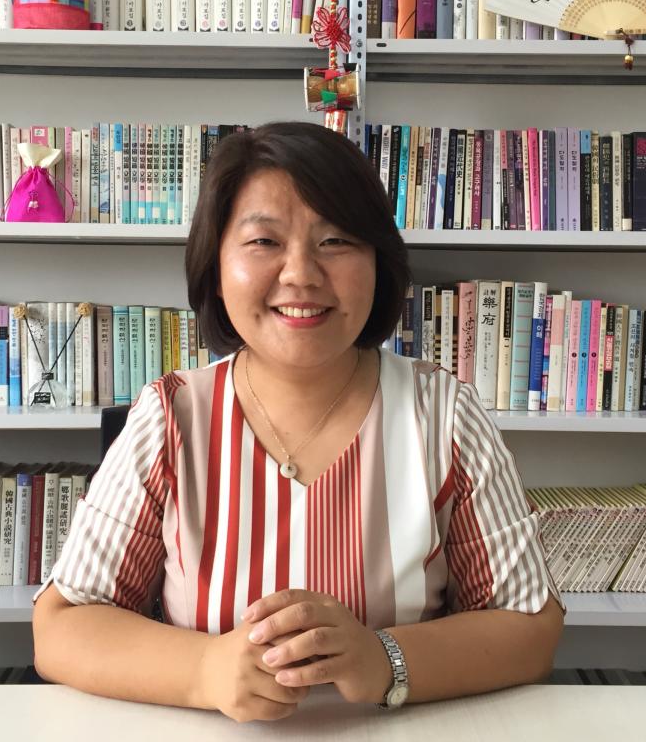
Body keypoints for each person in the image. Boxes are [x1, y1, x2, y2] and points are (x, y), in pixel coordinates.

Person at [32, 121, 564, 723]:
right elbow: (62, 624)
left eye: (336, 241)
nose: (301, 274)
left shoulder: (444, 416)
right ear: (215, 265)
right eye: (264, 241)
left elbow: (531, 622)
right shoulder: (170, 418)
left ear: (378, 262)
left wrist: (385, 658)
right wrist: (204, 669)